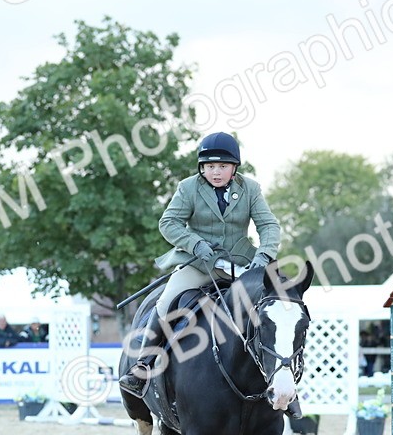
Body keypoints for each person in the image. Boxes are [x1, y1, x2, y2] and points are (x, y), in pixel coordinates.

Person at [118, 131, 283, 403]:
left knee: (276, 303)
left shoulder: (250, 189)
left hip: (241, 264)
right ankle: (144, 365)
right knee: (167, 301)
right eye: (209, 166)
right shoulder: (188, 187)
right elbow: (168, 223)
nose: (215, 172)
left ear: (234, 168)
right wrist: (195, 244)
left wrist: (264, 256)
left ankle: (283, 377)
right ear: (201, 167)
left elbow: (268, 225)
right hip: (200, 264)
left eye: (222, 166)